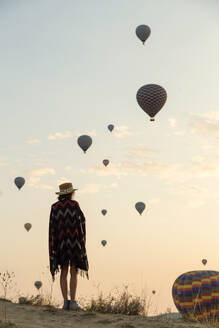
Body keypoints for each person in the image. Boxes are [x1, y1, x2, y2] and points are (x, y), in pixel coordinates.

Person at [49, 182, 89, 311]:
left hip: (60, 243)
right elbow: (82, 220)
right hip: (74, 241)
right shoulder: (74, 205)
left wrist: (54, 243)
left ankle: (65, 302)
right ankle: (73, 302)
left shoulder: (54, 207)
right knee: (73, 271)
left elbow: (52, 227)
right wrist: (81, 239)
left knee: (63, 271)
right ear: (70, 193)